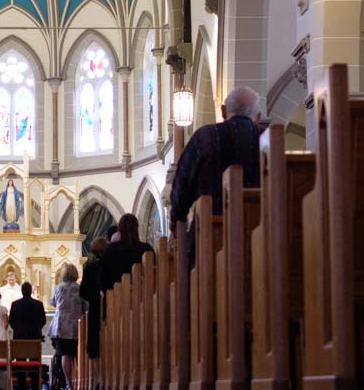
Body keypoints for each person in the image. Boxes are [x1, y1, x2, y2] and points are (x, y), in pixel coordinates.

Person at [169, 86, 263, 230]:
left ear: (223, 111)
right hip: (261, 232)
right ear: (258, 117)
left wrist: (176, 217)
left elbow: (183, 183)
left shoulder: (204, 137)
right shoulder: (269, 140)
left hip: (209, 232)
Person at [49, 263, 87, 390]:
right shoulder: (80, 288)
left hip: (62, 325)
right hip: (77, 325)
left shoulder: (58, 288)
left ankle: (69, 384)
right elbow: (85, 307)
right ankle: (79, 382)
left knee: (65, 354)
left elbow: (52, 302)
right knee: (77, 354)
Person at [101, 213, 155, 294]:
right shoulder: (146, 249)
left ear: (120, 230)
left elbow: (103, 278)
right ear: (136, 228)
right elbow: (154, 275)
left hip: (116, 297)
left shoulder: (110, 250)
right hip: (143, 298)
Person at [80, 235, 109, 362]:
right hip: (110, 305)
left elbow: (82, 292)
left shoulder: (90, 268)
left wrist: (92, 297)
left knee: (95, 342)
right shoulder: (109, 266)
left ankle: (98, 377)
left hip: (95, 307)